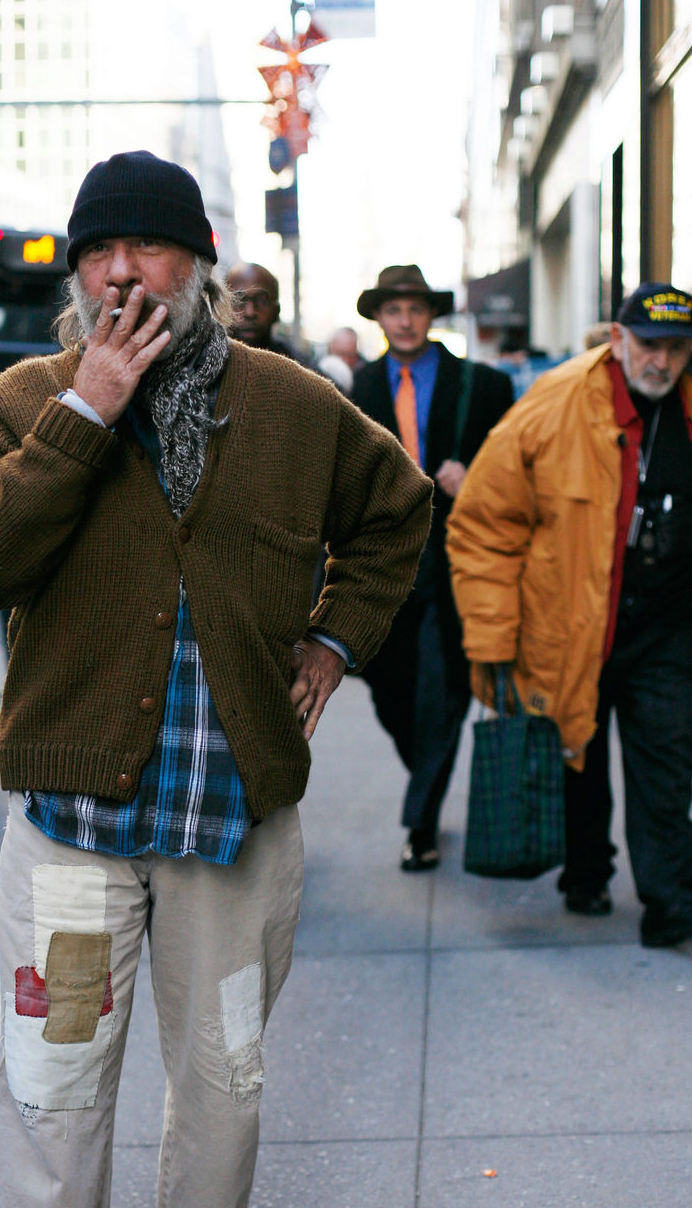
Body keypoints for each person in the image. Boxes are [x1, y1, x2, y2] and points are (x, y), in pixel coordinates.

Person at [0, 148, 432, 1208]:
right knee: (55, 1087)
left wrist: (333, 646)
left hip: (231, 824)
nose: (119, 272)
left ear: (196, 261)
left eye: (146, 249)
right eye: (98, 252)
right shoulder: (28, 396)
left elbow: (397, 520)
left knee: (226, 1072)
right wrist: (87, 410)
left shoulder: (292, 404)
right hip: (77, 842)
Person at [447, 282, 692, 948]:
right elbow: (484, 528)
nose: (663, 362)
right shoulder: (554, 404)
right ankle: (586, 874)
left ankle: (672, 906)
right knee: (576, 752)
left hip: (665, 626)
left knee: (667, 767)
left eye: (676, 348)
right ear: (617, 339)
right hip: (571, 620)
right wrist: (493, 641)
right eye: (650, 346)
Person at [351, 264, 514, 871]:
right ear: (380, 318)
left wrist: (475, 474)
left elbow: (513, 467)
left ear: (430, 315)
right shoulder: (358, 388)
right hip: (387, 565)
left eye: (415, 308)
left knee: (444, 691)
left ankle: (420, 824)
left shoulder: (483, 384)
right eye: (394, 310)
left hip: (458, 561)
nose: (405, 319)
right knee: (392, 694)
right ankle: (427, 775)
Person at [226, 261, 313, 365]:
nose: (250, 312)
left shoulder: (297, 367)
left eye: (262, 301)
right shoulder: (204, 360)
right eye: (238, 300)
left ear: (276, 312)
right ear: (221, 307)